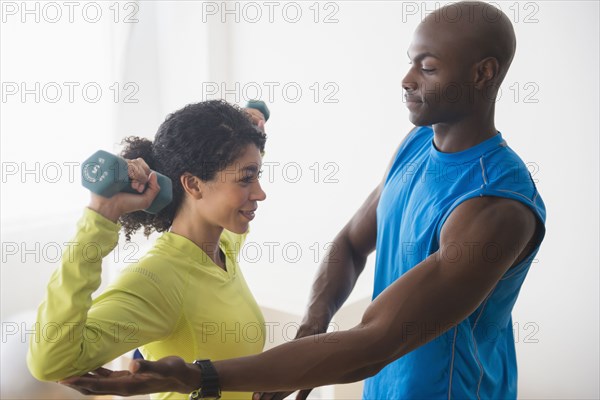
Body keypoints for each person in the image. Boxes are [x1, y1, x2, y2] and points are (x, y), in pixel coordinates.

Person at [60, 2, 546, 399]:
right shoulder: (419, 146)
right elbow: (353, 243)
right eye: (411, 61)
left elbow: (374, 342)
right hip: (385, 386)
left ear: (483, 74)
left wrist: (196, 376)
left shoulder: (497, 208)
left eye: (428, 67)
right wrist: (313, 324)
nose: (406, 79)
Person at [27, 100, 269, 400]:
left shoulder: (222, 246)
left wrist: (253, 126)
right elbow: (50, 362)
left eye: (258, 175)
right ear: (193, 185)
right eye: (247, 178)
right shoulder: (160, 279)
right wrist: (101, 216)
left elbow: (228, 178)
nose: (260, 192)